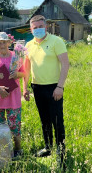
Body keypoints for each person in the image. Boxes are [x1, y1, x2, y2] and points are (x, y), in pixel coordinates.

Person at [23, 15, 69, 163]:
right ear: (30, 29)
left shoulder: (57, 41)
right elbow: (26, 68)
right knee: (44, 120)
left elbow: (65, 64)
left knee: (57, 121)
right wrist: (25, 88)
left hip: (54, 88)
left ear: (46, 27)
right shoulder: (28, 45)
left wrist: (60, 86)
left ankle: (61, 152)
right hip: (37, 88)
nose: (38, 29)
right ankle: (48, 147)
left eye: (40, 27)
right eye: (34, 28)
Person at [0, 32, 26, 158]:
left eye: (4, 42)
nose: (2, 44)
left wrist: (16, 75)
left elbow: (24, 73)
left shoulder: (17, 56)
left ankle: (18, 150)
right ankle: (3, 150)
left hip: (13, 98)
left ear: (9, 43)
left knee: (15, 125)